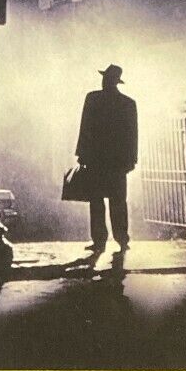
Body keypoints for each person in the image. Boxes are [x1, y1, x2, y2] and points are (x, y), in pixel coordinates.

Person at [75, 64, 137, 258]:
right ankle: (121, 239)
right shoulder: (127, 103)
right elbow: (132, 135)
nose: (103, 81)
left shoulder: (93, 99)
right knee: (118, 201)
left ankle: (100, 240)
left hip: (96, 160)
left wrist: (82, 154)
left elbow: (85, 128)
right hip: (117, 161)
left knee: (97, 201)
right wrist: (131, 159)